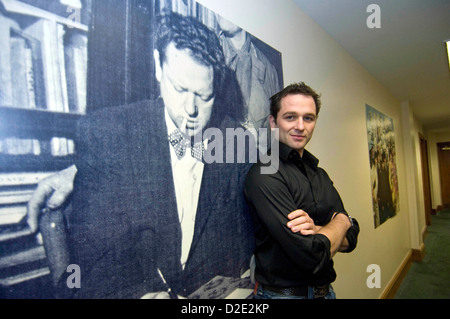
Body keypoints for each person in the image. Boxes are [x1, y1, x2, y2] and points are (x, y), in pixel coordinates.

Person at [27, 11, 255, 299]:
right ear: (158, 67)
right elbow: (85, 268)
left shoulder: (237, 143)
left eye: (204, 95)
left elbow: (257, 236)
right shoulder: (108, 136)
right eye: (180, 88)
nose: (191, 109)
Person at [244, 82, 360, 299]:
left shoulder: (319, 174)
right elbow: (313, 256)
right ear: (273, 122)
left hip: (327, 293)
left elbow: (352, 239)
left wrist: (318, 231)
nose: (300, 126)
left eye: (308, 118)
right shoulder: (265, 174)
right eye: (290, 117)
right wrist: (341, 222)